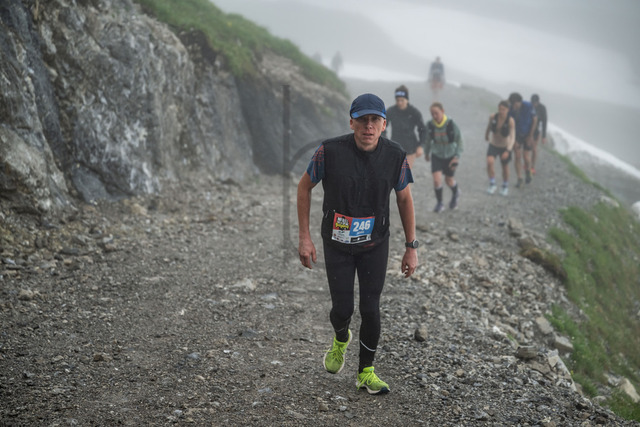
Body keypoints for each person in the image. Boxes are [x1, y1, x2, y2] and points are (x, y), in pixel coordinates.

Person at [297, 93, 418, 395]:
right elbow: (304, 186)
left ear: (384, 124)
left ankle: (366, 371)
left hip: (374, 244)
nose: (368, 126)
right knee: (342, 309)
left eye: (375, 120)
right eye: (362, 120)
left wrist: (411, 247)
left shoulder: (395, 156)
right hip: (337, 243)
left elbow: (404, 199)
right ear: (351, 122)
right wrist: (304, 237)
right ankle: (341, 338)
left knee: (370, 307)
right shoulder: (329, 151)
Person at [424, 102, 463, 212]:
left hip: (451, 155)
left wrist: (457, 156)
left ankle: (456, 193)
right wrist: (426, 153)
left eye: (436, 113)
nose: (434, 116)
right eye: (432, 114)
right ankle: (440, 203)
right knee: (437, 180)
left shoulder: (451, 124)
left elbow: (460, 141)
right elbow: (427, 140)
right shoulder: (430, 125)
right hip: (436, 155)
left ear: (442, 111)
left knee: (449, 180)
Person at [382, 85, 427, 168]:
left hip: (410, 147)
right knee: (395, 172)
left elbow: (423, 129)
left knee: (405, 173)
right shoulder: (391, 111)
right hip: (395, 146)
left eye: (402, 100)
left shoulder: (414, 112)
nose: (399, 103)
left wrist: (421, 146)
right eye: (397, 100)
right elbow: (382, 127)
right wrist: (385, 141)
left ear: (407, 100)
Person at [484, 100, 515, 196]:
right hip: (494, 144)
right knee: (489, 162)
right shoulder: (493, 117)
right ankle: (492, 184)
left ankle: (505, 186)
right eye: (500, 109)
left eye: (503, 110)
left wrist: (508, 150)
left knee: (504, 166)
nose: (501, 111)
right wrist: (486, 135)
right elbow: (489, 126)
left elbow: (512, 137)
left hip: (505, 146)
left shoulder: (510, 121)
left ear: (508, 110)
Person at [508, 92, 537, 188]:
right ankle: (519, 178)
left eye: (515, 104)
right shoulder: (510, 109)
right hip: (516, 134)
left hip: (528, 132)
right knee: (517, 156)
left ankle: (528, 171)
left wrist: (531, 136)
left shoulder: (528, 106)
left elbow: (535, 120)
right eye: (512, 104)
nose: (514, 106)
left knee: (526, 156)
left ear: (519, 102)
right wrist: (512, 139)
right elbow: (510, 125)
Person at [530, 94, 548, 175]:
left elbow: (544, 122)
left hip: (536, 130)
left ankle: (532, 167)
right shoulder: (529, 106)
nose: (534, 105)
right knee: (527, 148)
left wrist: (544, 136)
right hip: (528, 129)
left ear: (538, 102)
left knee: (534, 148)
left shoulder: (542, 108)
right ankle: (527, 163)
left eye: (535, 103)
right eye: (532, 103)